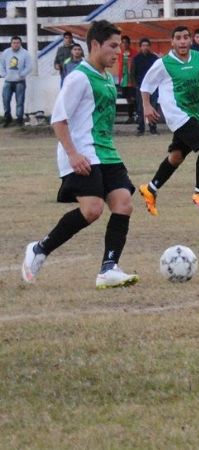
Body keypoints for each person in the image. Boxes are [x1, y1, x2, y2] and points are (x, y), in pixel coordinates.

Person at [21, 20, 139, 289]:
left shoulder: (107, 77)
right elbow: (58, 120)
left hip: (106, 153)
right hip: (82, 153)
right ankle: (39, 249)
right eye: (112, 46)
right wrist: (73, 154)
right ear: (95, 45)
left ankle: (109, 269)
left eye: (119, 47)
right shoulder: (79, 77)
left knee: (123, 204)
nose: (118, 52)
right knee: (92, 210)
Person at [137, 26, 199, 216]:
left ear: (190, 41)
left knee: (176, 156)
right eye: (178, 38)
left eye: (186, 37)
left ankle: (150, 188)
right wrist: (147, 106)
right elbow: (145, 86)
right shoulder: (163, 63)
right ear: (172, 42)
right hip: (177, 115)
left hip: (193, 114)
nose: (182, 41)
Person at [1, 36, 31, 127]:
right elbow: (1, 65)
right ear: (11, 43)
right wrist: (4, 74)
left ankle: (19, 119)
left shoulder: (25, 53)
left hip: (20, 82)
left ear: (20, 43)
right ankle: (7, 118)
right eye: (14, 43)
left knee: (20, 101)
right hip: (8, 81)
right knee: (6, 100)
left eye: (17, 43)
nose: (16, 44)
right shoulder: (6, 52)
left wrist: (22, 74)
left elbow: (29, 67)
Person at [132, 37, 160, 136]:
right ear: (140, 47)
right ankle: (141, 128)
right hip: (140, 87)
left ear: (150, 46)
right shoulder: (136, 59)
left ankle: (153, 128)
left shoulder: (154, 58)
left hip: (153, 87)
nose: (145, 47)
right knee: (140, 108)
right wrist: (136, 85)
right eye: (143, 45)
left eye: (147, 45)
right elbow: (133, 73)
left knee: (154, 107)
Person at [115, 35, 136, 124]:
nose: (124, 44)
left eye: (126, 42)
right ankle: (131, 116)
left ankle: (135, 115)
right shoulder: (120, 53)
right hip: (124, 79)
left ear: (129, 43)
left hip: (132, 80)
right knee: (127, 98)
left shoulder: (134, 53)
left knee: (133, 98)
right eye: (123, 42)